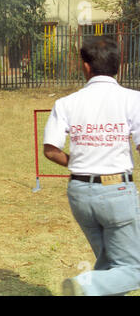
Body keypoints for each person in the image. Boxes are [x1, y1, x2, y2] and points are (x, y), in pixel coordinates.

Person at [43, 35, 140, 296]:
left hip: (80, 194)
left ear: (85, 66)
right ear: (121, 65)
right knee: (133, 269)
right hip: (117, 193)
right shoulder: (133, 99)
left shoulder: (65, 103)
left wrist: (84, 161)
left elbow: (51, 151)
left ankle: (90, 287)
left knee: (112, 267)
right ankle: (85, 285)